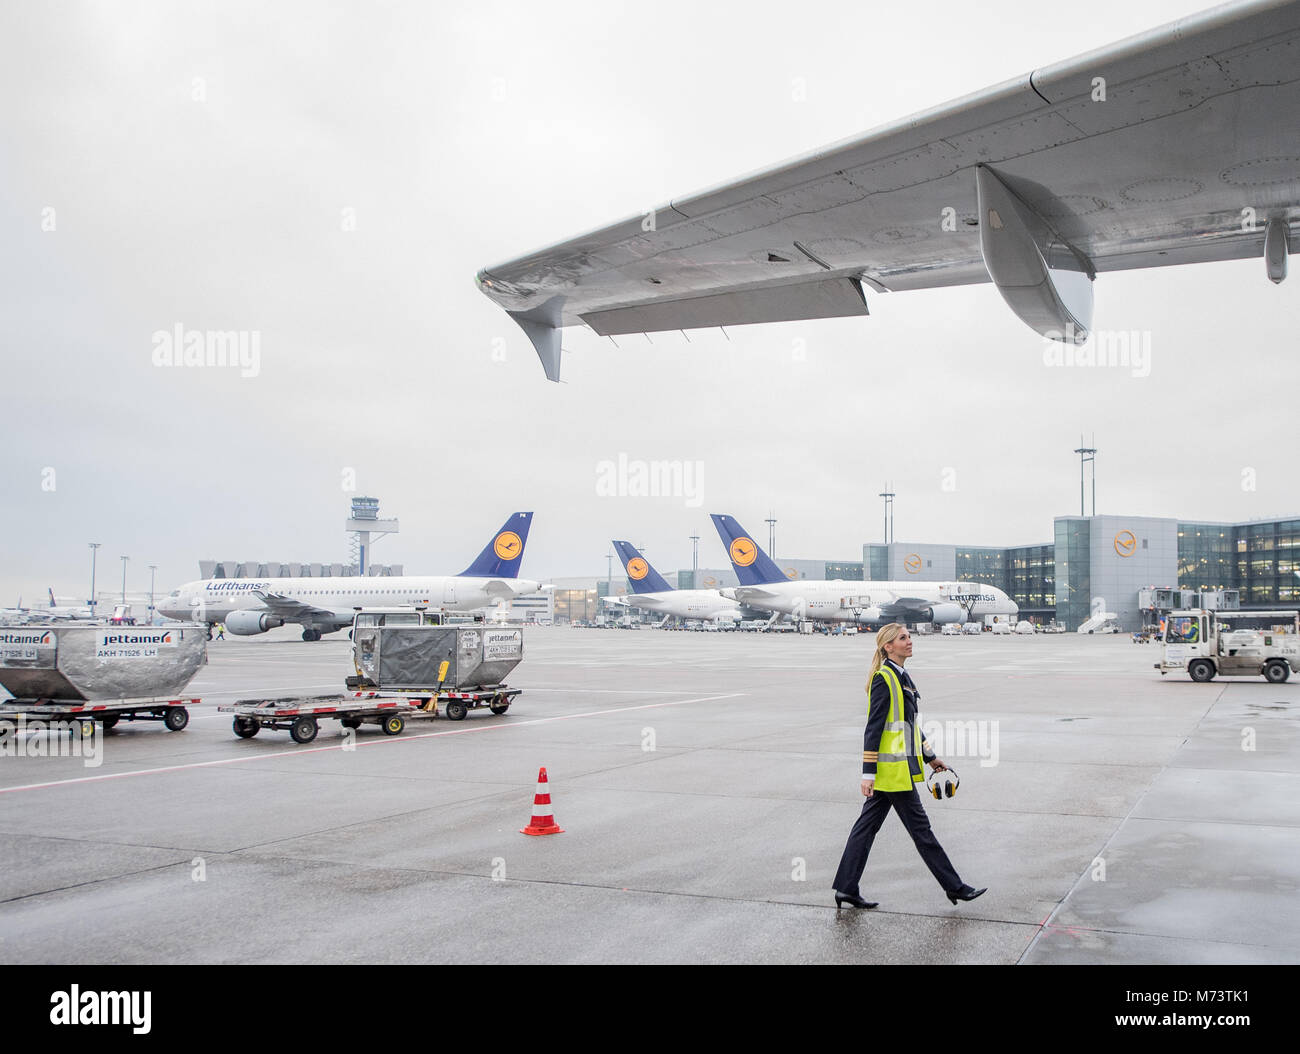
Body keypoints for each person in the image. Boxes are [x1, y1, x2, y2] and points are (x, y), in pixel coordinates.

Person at [832, 622, 986, 909]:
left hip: (896, 772)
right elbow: (873, 729)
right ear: (888, 646)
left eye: (908, 637)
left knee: (865, 830)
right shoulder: (884, 678)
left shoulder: (901, 676)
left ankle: (845, 887)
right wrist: (867, 774)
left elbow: (910, 727)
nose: (909, 641)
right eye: (903, 638)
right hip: (892, 774)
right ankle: (955, 887)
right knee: (922, 832)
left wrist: (930, 757)